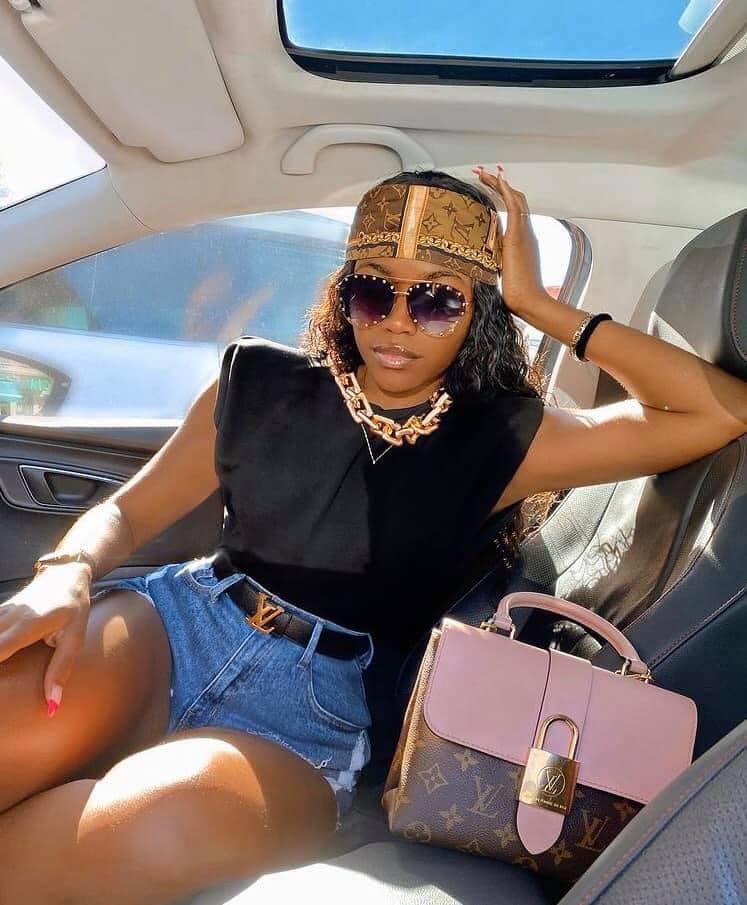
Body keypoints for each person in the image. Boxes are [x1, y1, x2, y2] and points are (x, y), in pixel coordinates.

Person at [0, 167, 745, 905]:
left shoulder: (503, 439)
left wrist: (543, 308)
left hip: (313, 711)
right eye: (372, 290)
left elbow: (717, 413)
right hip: (177, 624)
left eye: (437, 299)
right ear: (344, 293)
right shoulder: (255, 381)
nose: (396, 320)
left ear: (479, 309)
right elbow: (128, 514)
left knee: (153, 827)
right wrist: (67, 571)